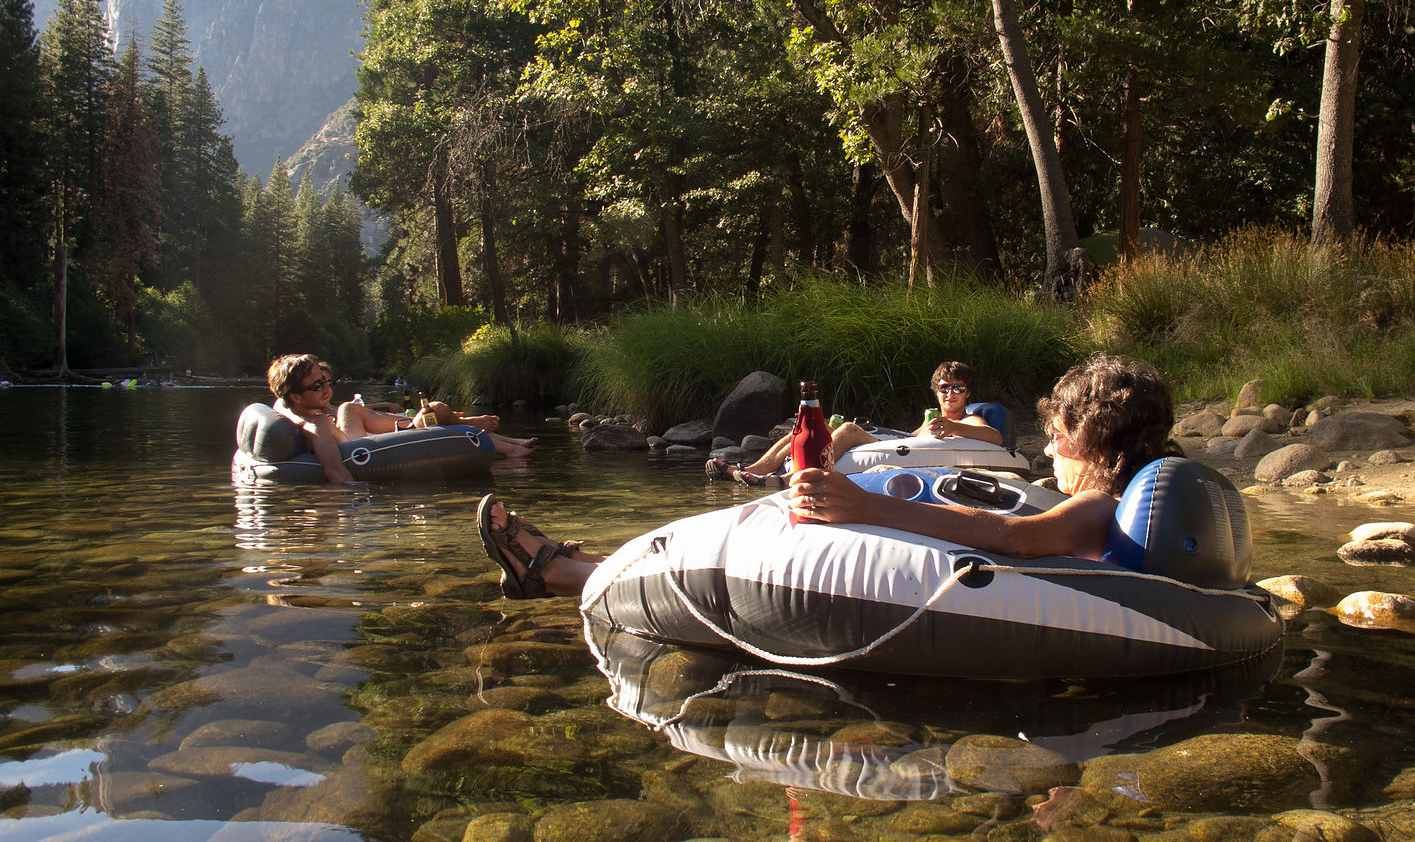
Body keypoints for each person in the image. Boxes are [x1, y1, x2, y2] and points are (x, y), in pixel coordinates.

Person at [479, 353, 1182, 597]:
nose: (1050, 447)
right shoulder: (1126, 503)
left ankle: (566, 573)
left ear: (1097, 440)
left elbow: (1017, 539)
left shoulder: (1101, 509)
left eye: (1059, 434)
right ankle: (586, 566)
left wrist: (864, 508)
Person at [706, 361, 1003, 485]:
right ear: (935, 390)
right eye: (944, 387)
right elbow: (909, 440)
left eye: (957, 388)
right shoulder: (931, 419)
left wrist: (956, 427)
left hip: (897, 447)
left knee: (847, 431)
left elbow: (994, 437)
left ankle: (788, 480)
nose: (949, 394)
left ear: (968, 392)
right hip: (898, 441)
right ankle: (754, 470)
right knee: (810, 429)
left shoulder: (968, 418)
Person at [268, 354, 537, 483]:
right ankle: (503, 444)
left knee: (349, 408)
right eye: (317, 386)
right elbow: (337, 473)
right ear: (296, 396)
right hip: (375, 449)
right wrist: (361, 516)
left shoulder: (294, 409)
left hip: (365, 437)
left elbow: (282, 402)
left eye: (327, 382)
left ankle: (506, 443)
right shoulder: (317, 426)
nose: (326, 389)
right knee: (436, 409)